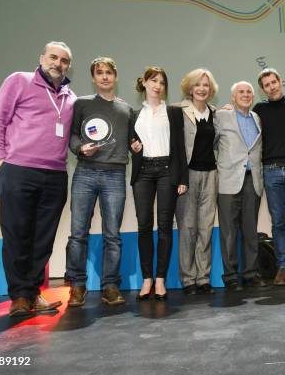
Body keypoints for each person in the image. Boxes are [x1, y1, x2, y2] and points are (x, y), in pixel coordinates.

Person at [0, 41, 76, 316]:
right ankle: (19, 297)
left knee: (42, 239)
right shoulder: (18, 81)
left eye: (63, 60)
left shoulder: (70, 98)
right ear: (41, 58)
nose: (57, 63)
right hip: (18, 169)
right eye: (53, 57)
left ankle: (34, 293)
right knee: (16, 234)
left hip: (55, 175)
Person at [65, 57, 133, 307]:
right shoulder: (81, 104)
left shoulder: (126, 109)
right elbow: (72, 135)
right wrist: (80, 148)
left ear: (115, 77)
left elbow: (133, 140)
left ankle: (110, 286)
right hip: (85, 173)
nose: (105, 77)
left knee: (112, 235)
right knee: (77, 234)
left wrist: (136, 146)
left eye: (109, 73)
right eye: (99, 73)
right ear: (93, 78)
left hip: (115, 175)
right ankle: (77, 285)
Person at [130, 67, 188, 301]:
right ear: (144, 83)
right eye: (153, 81)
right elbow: (131, 141)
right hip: (142, 171)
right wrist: (132, 146)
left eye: (162, 82)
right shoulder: (133, 114)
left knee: (165, 226)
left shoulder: (174, 112)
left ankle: (161, 280)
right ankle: (147, 280)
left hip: (167, 171)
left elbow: (181, 147)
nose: (158, 86)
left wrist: (182, 178)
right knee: (144, 225)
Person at [253, 68, 285, 286]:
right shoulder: (259, 110)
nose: (272, 86)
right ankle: (281, 267)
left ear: (280, 81)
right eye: (267, 85)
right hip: (271, 170)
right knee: (277, 222)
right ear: (262, 89)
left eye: (274, 82)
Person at [215, 81, 266, 290]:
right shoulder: (221, 116)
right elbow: (210, 144)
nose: (245, 95)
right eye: (241, 92)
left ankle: (250, 274)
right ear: (233, 97)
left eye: (248, 92)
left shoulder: (257, 118)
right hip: (228, 181)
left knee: (250, 231)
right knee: (228, 233)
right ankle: (230, 276)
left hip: (252, 181)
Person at [173, 69, 218, 295]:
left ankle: (203, 278)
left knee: (206, 229)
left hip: (211, 175)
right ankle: (188, 279)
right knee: (188, 229)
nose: (202, 89)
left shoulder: (216, 113)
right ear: (190, 88)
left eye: (206, 85)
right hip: (187, 176)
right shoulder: (178, 111)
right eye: (198, 85)